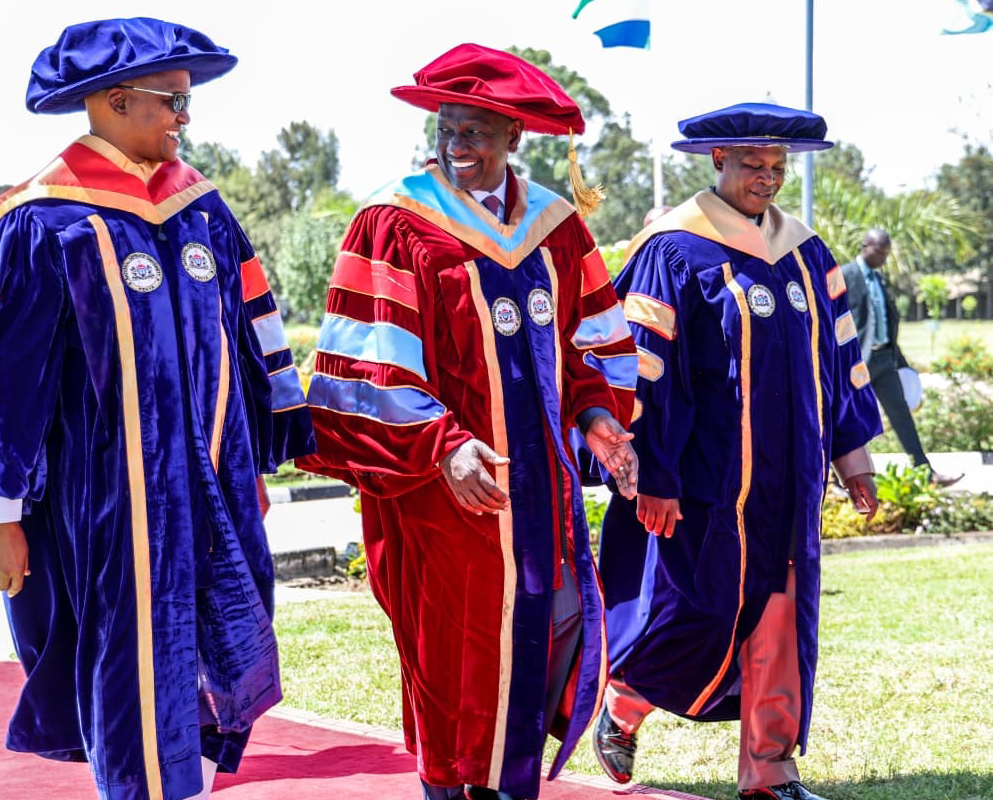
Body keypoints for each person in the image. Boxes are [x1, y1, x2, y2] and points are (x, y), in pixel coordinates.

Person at [0, 18, 314, 800]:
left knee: (221, 667)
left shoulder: (202, 212)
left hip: (214, 499)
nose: (185, 119)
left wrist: (250, 461)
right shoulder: (37, 223)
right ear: (114, 100)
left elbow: (248, 338)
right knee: (131, 680)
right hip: (108, 510)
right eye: (172, 101)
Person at [296, 43, 639, 800]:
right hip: (442, 496)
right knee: (453, 652)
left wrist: (595, 413)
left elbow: (588, 343)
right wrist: (443, 445)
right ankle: (447, 790)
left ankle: (510, 786)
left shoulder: (556, 227)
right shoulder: (394, 222)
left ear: (514, 137)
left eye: (478, 130)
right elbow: (372, 367)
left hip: (538, 495)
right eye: (448, 127)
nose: (458, 143)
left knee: (538, 638)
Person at [586, 103, 883, 800]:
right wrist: (650, 475)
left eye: (779, 167)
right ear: (717, 162)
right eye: (753, 164)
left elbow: (839, 360)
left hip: (792, 480)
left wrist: (854, 456)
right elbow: (643, 373)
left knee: (781, 615)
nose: (768, 178)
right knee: (696, 609)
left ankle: (770, 770)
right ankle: (624, 700)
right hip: (703, 483)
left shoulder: (806, 252)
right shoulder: (673, 250)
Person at [841, 228, 962, 486]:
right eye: (880, 252)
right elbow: (835, 321)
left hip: (885, 360)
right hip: (856, 363)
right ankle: (836, 480)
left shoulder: (881, 279)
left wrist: (901, 361)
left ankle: (926, 473)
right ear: (864, 246)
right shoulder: (845, 276)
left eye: (887, 253)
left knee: (902, 417)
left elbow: (887, 320)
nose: (884, 258)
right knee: (846, 419)